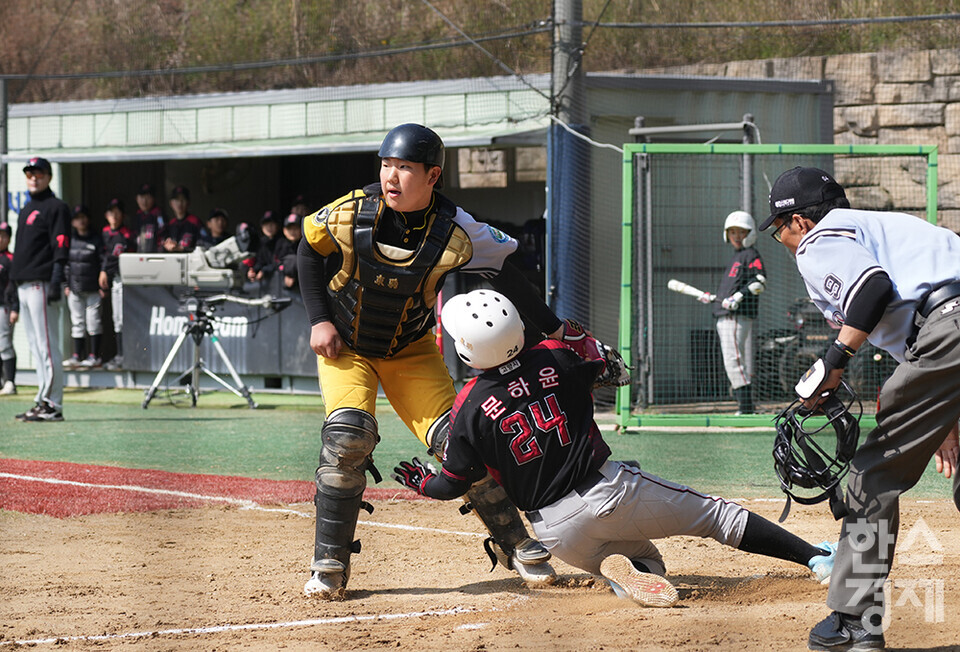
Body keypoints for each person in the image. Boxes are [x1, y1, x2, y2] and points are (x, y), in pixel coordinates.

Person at [297, 123, 620, 599]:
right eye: (386, 165)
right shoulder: (351, 210)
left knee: (462, 442)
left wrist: (556, 331)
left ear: (433, 176)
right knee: (347, 438)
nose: (391, 176)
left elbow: (508, 276)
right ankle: (329, 563)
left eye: (404, 167)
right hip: (346, 348)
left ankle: (518, 545)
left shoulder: (457, 229)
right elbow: (308, 250)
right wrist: (319, 319)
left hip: (410, 351)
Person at [394, 289, 836, 608]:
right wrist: (584, 348)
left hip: (554, 532)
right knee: (717, 517)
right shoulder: (554, 356)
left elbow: (451, 485)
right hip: (608, 491)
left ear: (466, 349)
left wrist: (421, 482)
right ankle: (817, 559)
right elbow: (612, 370)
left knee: (647, 557)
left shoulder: (467, 407)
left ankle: (626, 577)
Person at [759, 166, 960, 651]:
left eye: (779, 229)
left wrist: (834, 362)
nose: (783, 241)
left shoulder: (819, 239)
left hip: (947, 331)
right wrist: (946, 415)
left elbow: (872, 289)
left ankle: (853, 623)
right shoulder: (885, 227)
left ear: (799, 221)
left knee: (870, 477)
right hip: (946, 333)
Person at [10, 157, 70, 422]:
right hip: (24, 284)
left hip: (42, 283)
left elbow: (61, 244)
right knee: (36, 347)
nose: (34, 177)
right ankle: (42, 400)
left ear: (49, 177)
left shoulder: (56, 207)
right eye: (29, 173)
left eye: (39, 173)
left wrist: (56, 279)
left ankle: (53, 405)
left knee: (47, 346)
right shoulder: (27, 208)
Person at [705, 210, 766, 414]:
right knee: (732, 360)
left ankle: (746, 408)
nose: (737, 237)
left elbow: (760, 281)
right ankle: (745, 407)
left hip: (736, 316)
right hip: (726, 315)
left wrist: (738, 297)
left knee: (733, 360)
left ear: (750, 233)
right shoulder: (737, 257)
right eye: (733, 232)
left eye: (741, 232)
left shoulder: (751, 255)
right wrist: (715, 298)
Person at [63, 205, 104, 369]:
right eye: (77, 218)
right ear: (72, 222)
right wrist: (66, 284)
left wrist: (103, 285)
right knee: (77, 322)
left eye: (83, 217)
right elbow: (66, 264)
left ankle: (94, 356)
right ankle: (77, 356)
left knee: (93, 321)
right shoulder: (70, 240)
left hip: (93, 288)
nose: (81, 221)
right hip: (75, 288)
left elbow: (103, 261)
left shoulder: (96, 239)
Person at [99, 198, 137, 371]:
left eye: (117, 212)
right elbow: (103, 256)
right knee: (116, 319)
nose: (114, 215)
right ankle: (120, 355)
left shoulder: (128, 234)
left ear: (123, 215)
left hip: (125, 279)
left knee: (123, 318)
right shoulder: (104, 233)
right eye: (111, 212)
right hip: (113, 280)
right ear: (106, 215)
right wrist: (103, 272)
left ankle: (125, 355)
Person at [0, 221, 19, 395]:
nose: (0, 239)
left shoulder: (11, 259)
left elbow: (14, 287)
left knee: (4, 343)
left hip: (4, 307)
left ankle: (10, 382)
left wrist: (15, 308)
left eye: (3, 236)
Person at [160, 185, 202, 253]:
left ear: (188, 202)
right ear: (171, 203)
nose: (180, 203)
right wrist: (167, 245)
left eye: (183, 199)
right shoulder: (170, 224)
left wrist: (181, 248)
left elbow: (202, 245)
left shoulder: (195, 222)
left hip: (190, 258)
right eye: (177, 200)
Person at [247, 210, 281, 283]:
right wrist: (254, 271)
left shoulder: (282, 242)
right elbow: (260, 261)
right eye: (266, 224)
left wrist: (264, 271)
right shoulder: (261, 242)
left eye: (272, 224)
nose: (269, 227)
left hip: (279, 281)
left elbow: (279, 263)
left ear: (277, 226)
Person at [134, 183, 164, 253]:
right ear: (136, 199)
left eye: (148, 197)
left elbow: (163, 230)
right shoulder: (138, 216)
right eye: (142, 197)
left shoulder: (159, 215)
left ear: (154, 199)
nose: (144, 201)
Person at [277, 213, 301, 290]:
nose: (292, 231)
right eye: (290, 229)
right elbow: (276, 262)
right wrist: (285, 274)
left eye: (295, 228)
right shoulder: (280, 243)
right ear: (284, 230)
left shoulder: (306, 244)